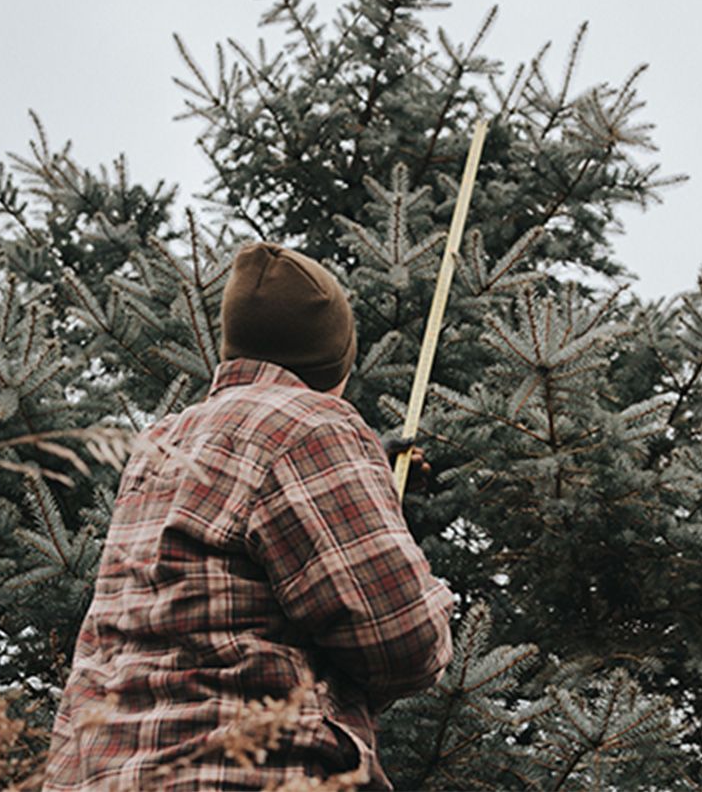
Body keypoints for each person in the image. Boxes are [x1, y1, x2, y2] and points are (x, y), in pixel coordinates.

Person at [43, 242, 454, 791]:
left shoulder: (158, 445)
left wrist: (365, 480)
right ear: (336, 357)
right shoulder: (314, 426)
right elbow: (404, 644)